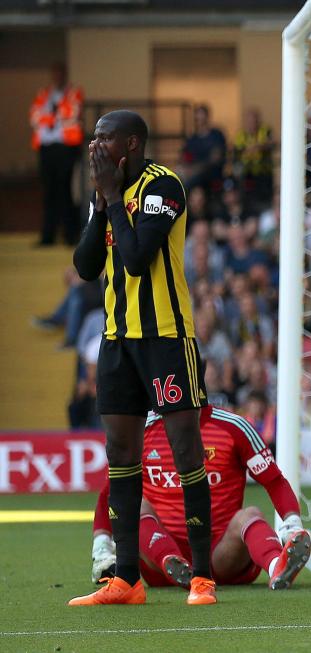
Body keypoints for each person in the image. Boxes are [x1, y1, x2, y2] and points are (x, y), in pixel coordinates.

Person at [69, 110, 215, 606]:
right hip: (117, 340)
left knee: (185, 451)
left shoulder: (163, 186)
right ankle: (126, 581)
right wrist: (101, 200)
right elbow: (87, 266)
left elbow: (135, 259)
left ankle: (202, 578)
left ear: (130, 143)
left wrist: (110, 198)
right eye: (93, 138)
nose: (95, 146)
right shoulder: (104, 193)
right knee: (121, 458)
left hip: (166, 337)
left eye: (104, 138)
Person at [88, 405, 310, 591]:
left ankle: (277, 567)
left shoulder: (233, 427)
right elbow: (111, 492)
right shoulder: (143, 430)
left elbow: (273, 480)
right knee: (135, 506)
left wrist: (291, 525)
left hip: (221, 555)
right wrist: (102, 550)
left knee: (249, 515)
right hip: (159, 556)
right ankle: (172, 562)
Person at [30, 62, 84, 246]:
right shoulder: (43, 94)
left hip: (66, 147)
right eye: (54, 73)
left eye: (60, 73)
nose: (57, 76)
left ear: (65, 74)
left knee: (65, 191)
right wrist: (56, 115)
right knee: (49, 191)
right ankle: (48, 236)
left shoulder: (74, 93)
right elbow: (34, 117)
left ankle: (70, 235)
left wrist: (51, 116)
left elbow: (73, 113)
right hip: (46, 148)